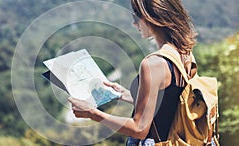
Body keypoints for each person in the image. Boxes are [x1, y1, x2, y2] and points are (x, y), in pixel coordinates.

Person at [68, 0, 215, 145]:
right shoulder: (184, 53)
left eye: (135, 17)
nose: (134, 24)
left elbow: (139, 128)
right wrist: (122, 94)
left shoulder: (153, 64)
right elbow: (170, 103)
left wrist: (92, 113)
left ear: (152, 17)